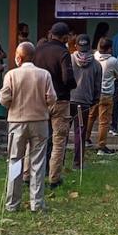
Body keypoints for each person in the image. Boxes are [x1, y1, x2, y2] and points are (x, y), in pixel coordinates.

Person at [0, 42, 56, 213]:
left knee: (15, 161)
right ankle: (37, 203)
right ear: (33, 56)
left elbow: (4, 98)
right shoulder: (44, 74)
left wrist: (12, 105)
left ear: (19, 57)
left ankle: (12, 203)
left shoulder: (11, 74)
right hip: (39, 122)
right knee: (38, 162)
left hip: (16, 122)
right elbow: (52, 98)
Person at [33, 22, 77, 188]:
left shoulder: (38, 51)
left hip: (40, 100)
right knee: (59, 140)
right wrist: (73, 85)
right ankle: (54, 178)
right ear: (65, 37)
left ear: (51, 34)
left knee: (38, 139)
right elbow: (67, 79)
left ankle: (31, 175)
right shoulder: (63, 52)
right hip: (60, 100)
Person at [69, 34, 102, 170]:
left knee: (62, 133)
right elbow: (97, 86)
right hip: (84, 102)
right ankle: (78, 163)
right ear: (89, 46)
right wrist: (95, 100)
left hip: (68, 100)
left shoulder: (69, 60)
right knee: (80, 132)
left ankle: (58, 161)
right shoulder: (96, 64)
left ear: (76, 46)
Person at [88, 38, 118, 155]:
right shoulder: (113, 61)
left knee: (91, 116)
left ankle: (86, 139)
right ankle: (101, 146)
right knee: (104, 121)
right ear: (109, 49)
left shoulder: (94, 57)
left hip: (94, 92)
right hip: (106, 93)